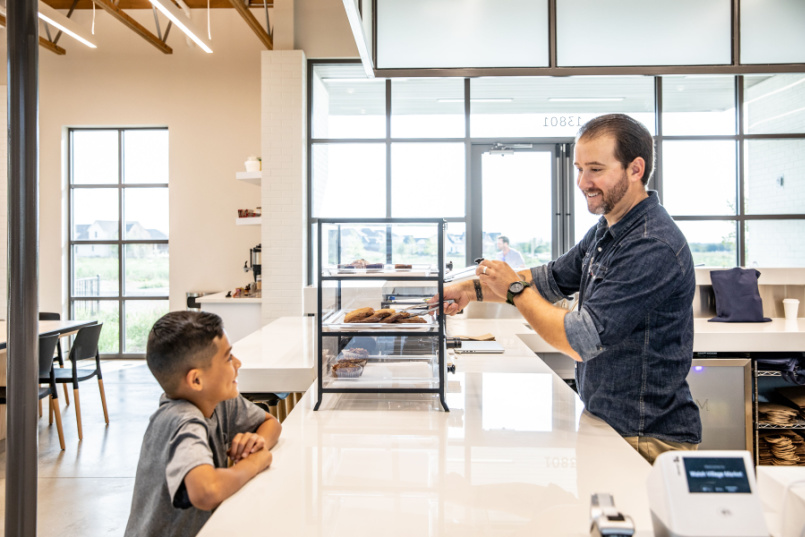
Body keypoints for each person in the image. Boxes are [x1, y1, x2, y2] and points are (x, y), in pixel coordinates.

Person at [439, 114, 701, 463]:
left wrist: (514, 290)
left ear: (635, 169)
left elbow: (580, 340)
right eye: (579, 169)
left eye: (595, 169)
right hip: (611, 424)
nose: (582, 182)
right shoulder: (607, 230)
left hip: (646, 438)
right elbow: (550, 279)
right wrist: (471, 290)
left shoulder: (651, 244)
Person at [125, 311, 282, 537]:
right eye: (228, 357)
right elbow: (206, 491)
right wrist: (255, 462)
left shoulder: (215, 401)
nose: (238, 363)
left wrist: (257, 442)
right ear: (197, 380)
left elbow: (270, 423)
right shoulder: (183, 421)